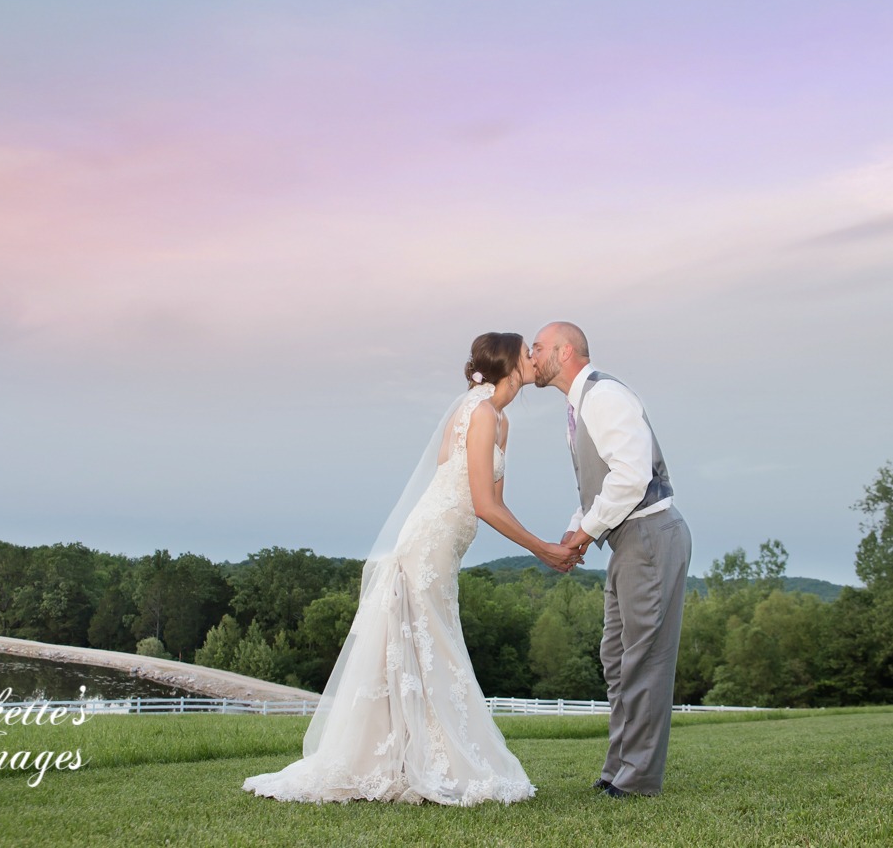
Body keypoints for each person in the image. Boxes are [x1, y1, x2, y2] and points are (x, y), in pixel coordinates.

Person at [243, 332, 579, 805]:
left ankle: (413, 754)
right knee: (429, 642)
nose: (533, 357)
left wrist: (537, 544)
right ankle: (406, 760)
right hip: (428, 543)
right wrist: (543, 550)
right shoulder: (478, 412)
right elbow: (480, 502)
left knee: (429, 643)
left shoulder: (500, 422)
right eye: (527, 351)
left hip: (449, 546)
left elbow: (493, 498)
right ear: (508, 363)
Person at [532, 321, 692, 798]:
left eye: (537, 347)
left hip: (649, 535)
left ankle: (638, 780)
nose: (531, 355)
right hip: (627, 540)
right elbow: (602, 483)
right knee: (617, 659)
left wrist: (585, 531)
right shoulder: (578, 405)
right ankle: (618, 769)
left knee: (643, 661)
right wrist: (575, 525)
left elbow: (630, 476)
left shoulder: (604, 397)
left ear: (564, 352)